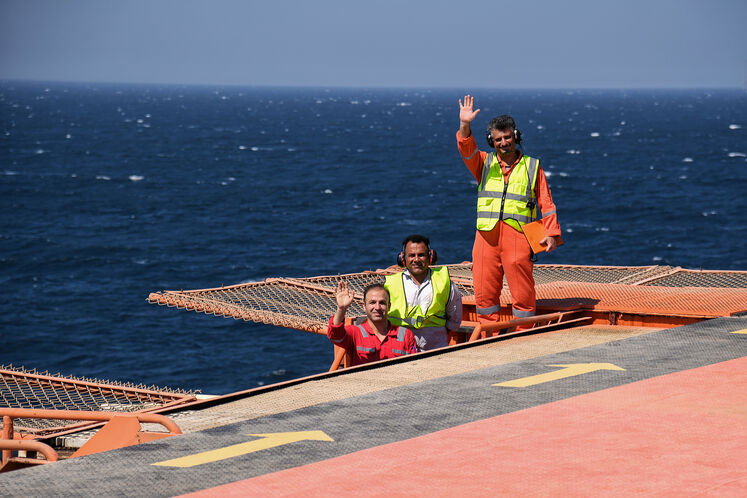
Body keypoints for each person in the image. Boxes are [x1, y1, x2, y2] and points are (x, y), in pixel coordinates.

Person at [457, 95, 561, 329]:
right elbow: (466, 148)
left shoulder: (533, 166)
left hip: (518, 237)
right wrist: (465, 124)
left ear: (516, 136)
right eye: (498, 139)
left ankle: (523, 337)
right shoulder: (483, 163)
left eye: (507, 137)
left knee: (523, 294)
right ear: (491, 142)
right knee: (484, 295)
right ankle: (486, 338)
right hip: (486, 237)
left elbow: (546, 201)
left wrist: (552, 233)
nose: (503, 142)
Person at [383, 235, 462, 351]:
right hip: (399, 350)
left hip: (436, 350)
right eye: (411, 255)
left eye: (421, 255)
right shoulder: (390, 285)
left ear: (430, 257)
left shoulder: (446, 284)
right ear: (403, 258)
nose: (416, 259)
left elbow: (455, 320)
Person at [328, 281, 417, 366]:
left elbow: (414, 365)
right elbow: (335, 335)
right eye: (372, 302)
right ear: (364, 306)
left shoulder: (406, 335)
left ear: (389, 307)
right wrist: (341, 309)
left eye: (382, 303)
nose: (377, 307)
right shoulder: (355, 333)